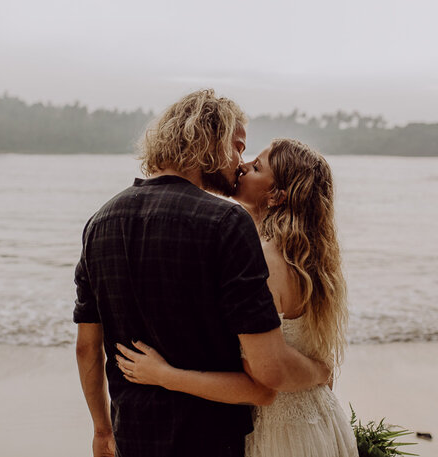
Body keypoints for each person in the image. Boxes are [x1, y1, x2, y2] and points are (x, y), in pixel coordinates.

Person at [73, 90, 331, 457]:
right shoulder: (226, 222)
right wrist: (320, 372)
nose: (240, 161)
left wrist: (101, 430)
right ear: (210, 141)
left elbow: (87, 348)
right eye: (238, 147)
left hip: (132, 435)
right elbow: (267, 372)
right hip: (211, 438)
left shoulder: (99, 222)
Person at [116, 138, 359, 457]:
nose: (242, 165)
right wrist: (320, 371)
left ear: (276, 195)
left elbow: (269, 372)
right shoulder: (308, 260)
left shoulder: (266, 259)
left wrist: (165, 376)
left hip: (281, 435)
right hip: (320, 420)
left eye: (256, 167)